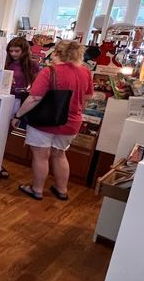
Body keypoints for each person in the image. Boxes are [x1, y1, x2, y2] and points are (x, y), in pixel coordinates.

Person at [12, 40, 93, 201]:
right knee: (60, 154)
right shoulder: (85, 72)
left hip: (45, 121)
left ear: (56, 53)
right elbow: (88, 97)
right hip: (72, 122)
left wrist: (18, 115)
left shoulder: (49, 71)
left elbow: (34, 98)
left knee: (41, 156)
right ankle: (61, 189)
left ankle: (37, 189)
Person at [0, 37, 39, 179]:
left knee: (6, 133)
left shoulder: (32, 65)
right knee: (0, 133)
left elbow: (36, 85)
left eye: (17, 51)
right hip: (4, 99)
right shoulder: (6, 62)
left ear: (24, 51)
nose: (13, 54)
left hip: (18, 101)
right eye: (11, 51)